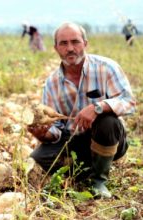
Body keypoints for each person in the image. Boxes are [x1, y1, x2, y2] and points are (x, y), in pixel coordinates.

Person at [28, 22, 136, 198]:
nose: (70, 48)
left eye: (75, 42)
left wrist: (98, 107)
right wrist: (43, 134)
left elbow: (129, 102)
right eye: (63, 43)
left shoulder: (106, 67)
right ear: (56, 48)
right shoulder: (52, 83)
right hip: (75, 140)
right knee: (38, 157)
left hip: (107, 136)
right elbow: (56, 129)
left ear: (85, 44)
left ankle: (99, 180)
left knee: (107, 121)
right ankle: (89, 167)